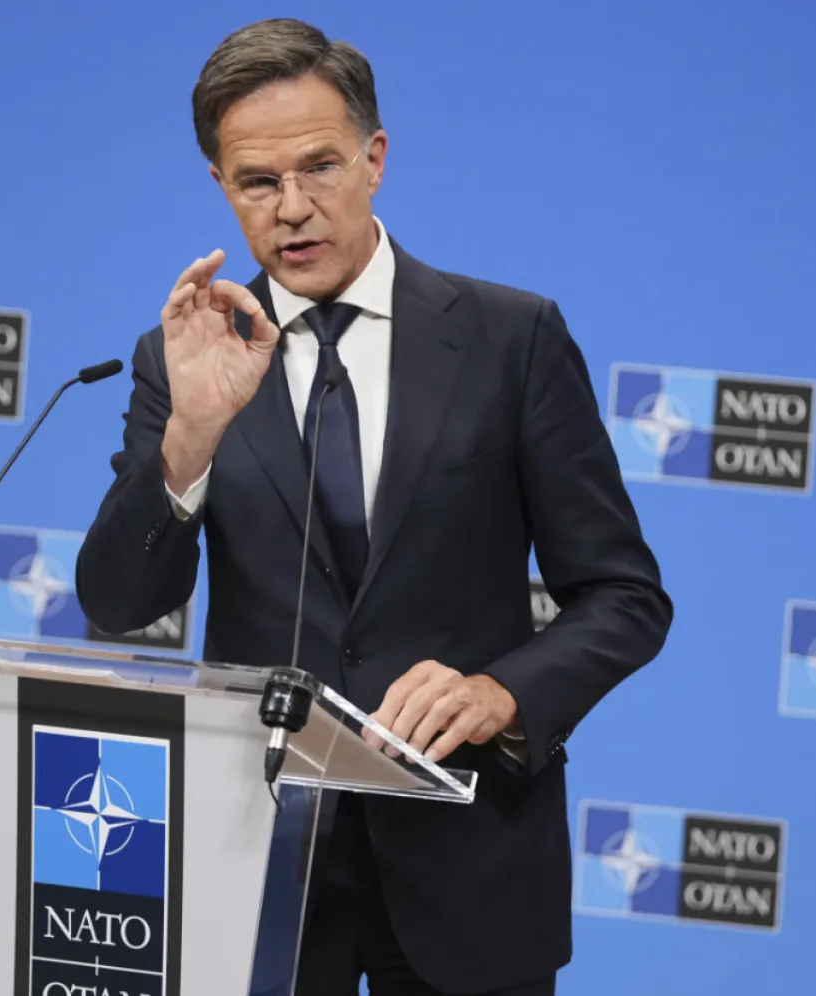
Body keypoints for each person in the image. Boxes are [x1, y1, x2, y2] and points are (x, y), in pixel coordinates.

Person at [75, 17, 672, 996]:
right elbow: (119, 599)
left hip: (469, 864)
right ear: (222, 188)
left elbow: (623, 597)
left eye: (321, 167)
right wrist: (191, 438)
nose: (293, 210)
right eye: (258, 183)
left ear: (376, 157)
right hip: (260, 866)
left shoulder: (509, 339)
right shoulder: (183, 359)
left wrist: (501, 696)